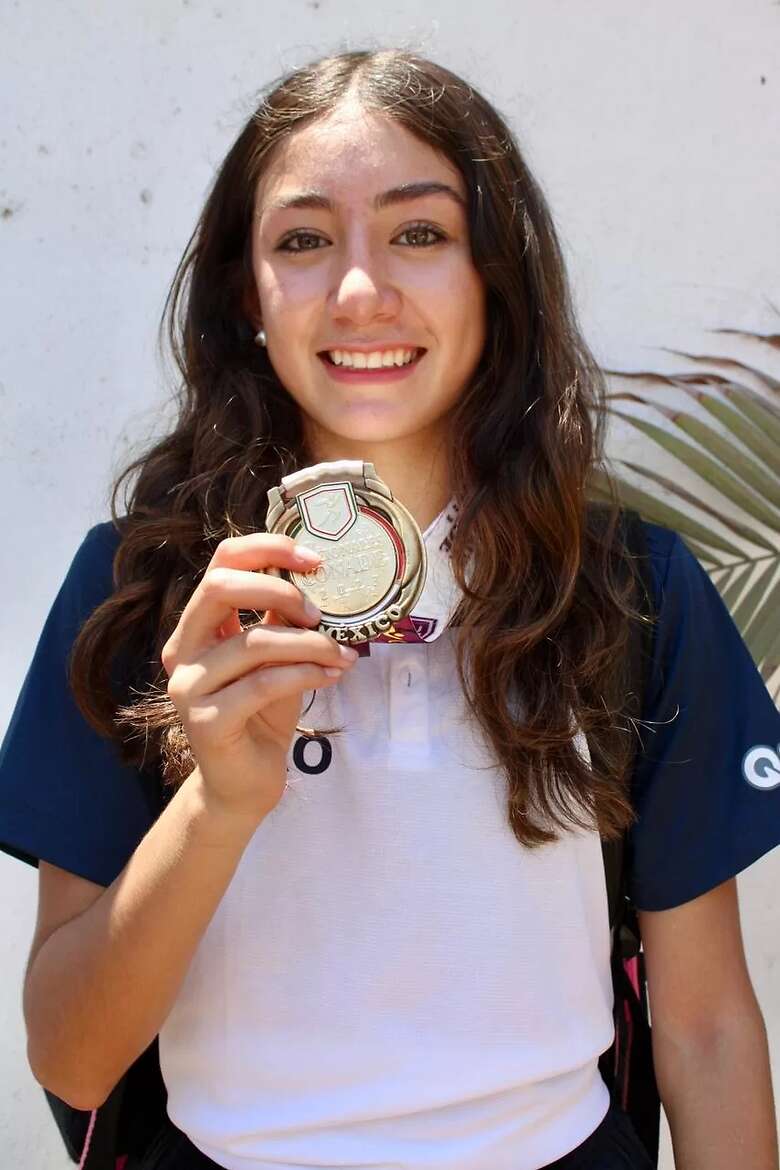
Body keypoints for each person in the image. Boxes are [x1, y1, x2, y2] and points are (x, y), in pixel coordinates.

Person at [1, 47, 779, 1170]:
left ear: (496, 276)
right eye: (302, 240)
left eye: (419, 231)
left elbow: (706, 1030)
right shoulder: (141, 594)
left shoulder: (628, 592)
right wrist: (217, 803)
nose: (360, 291)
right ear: (245, 291)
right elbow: (71, 1061)